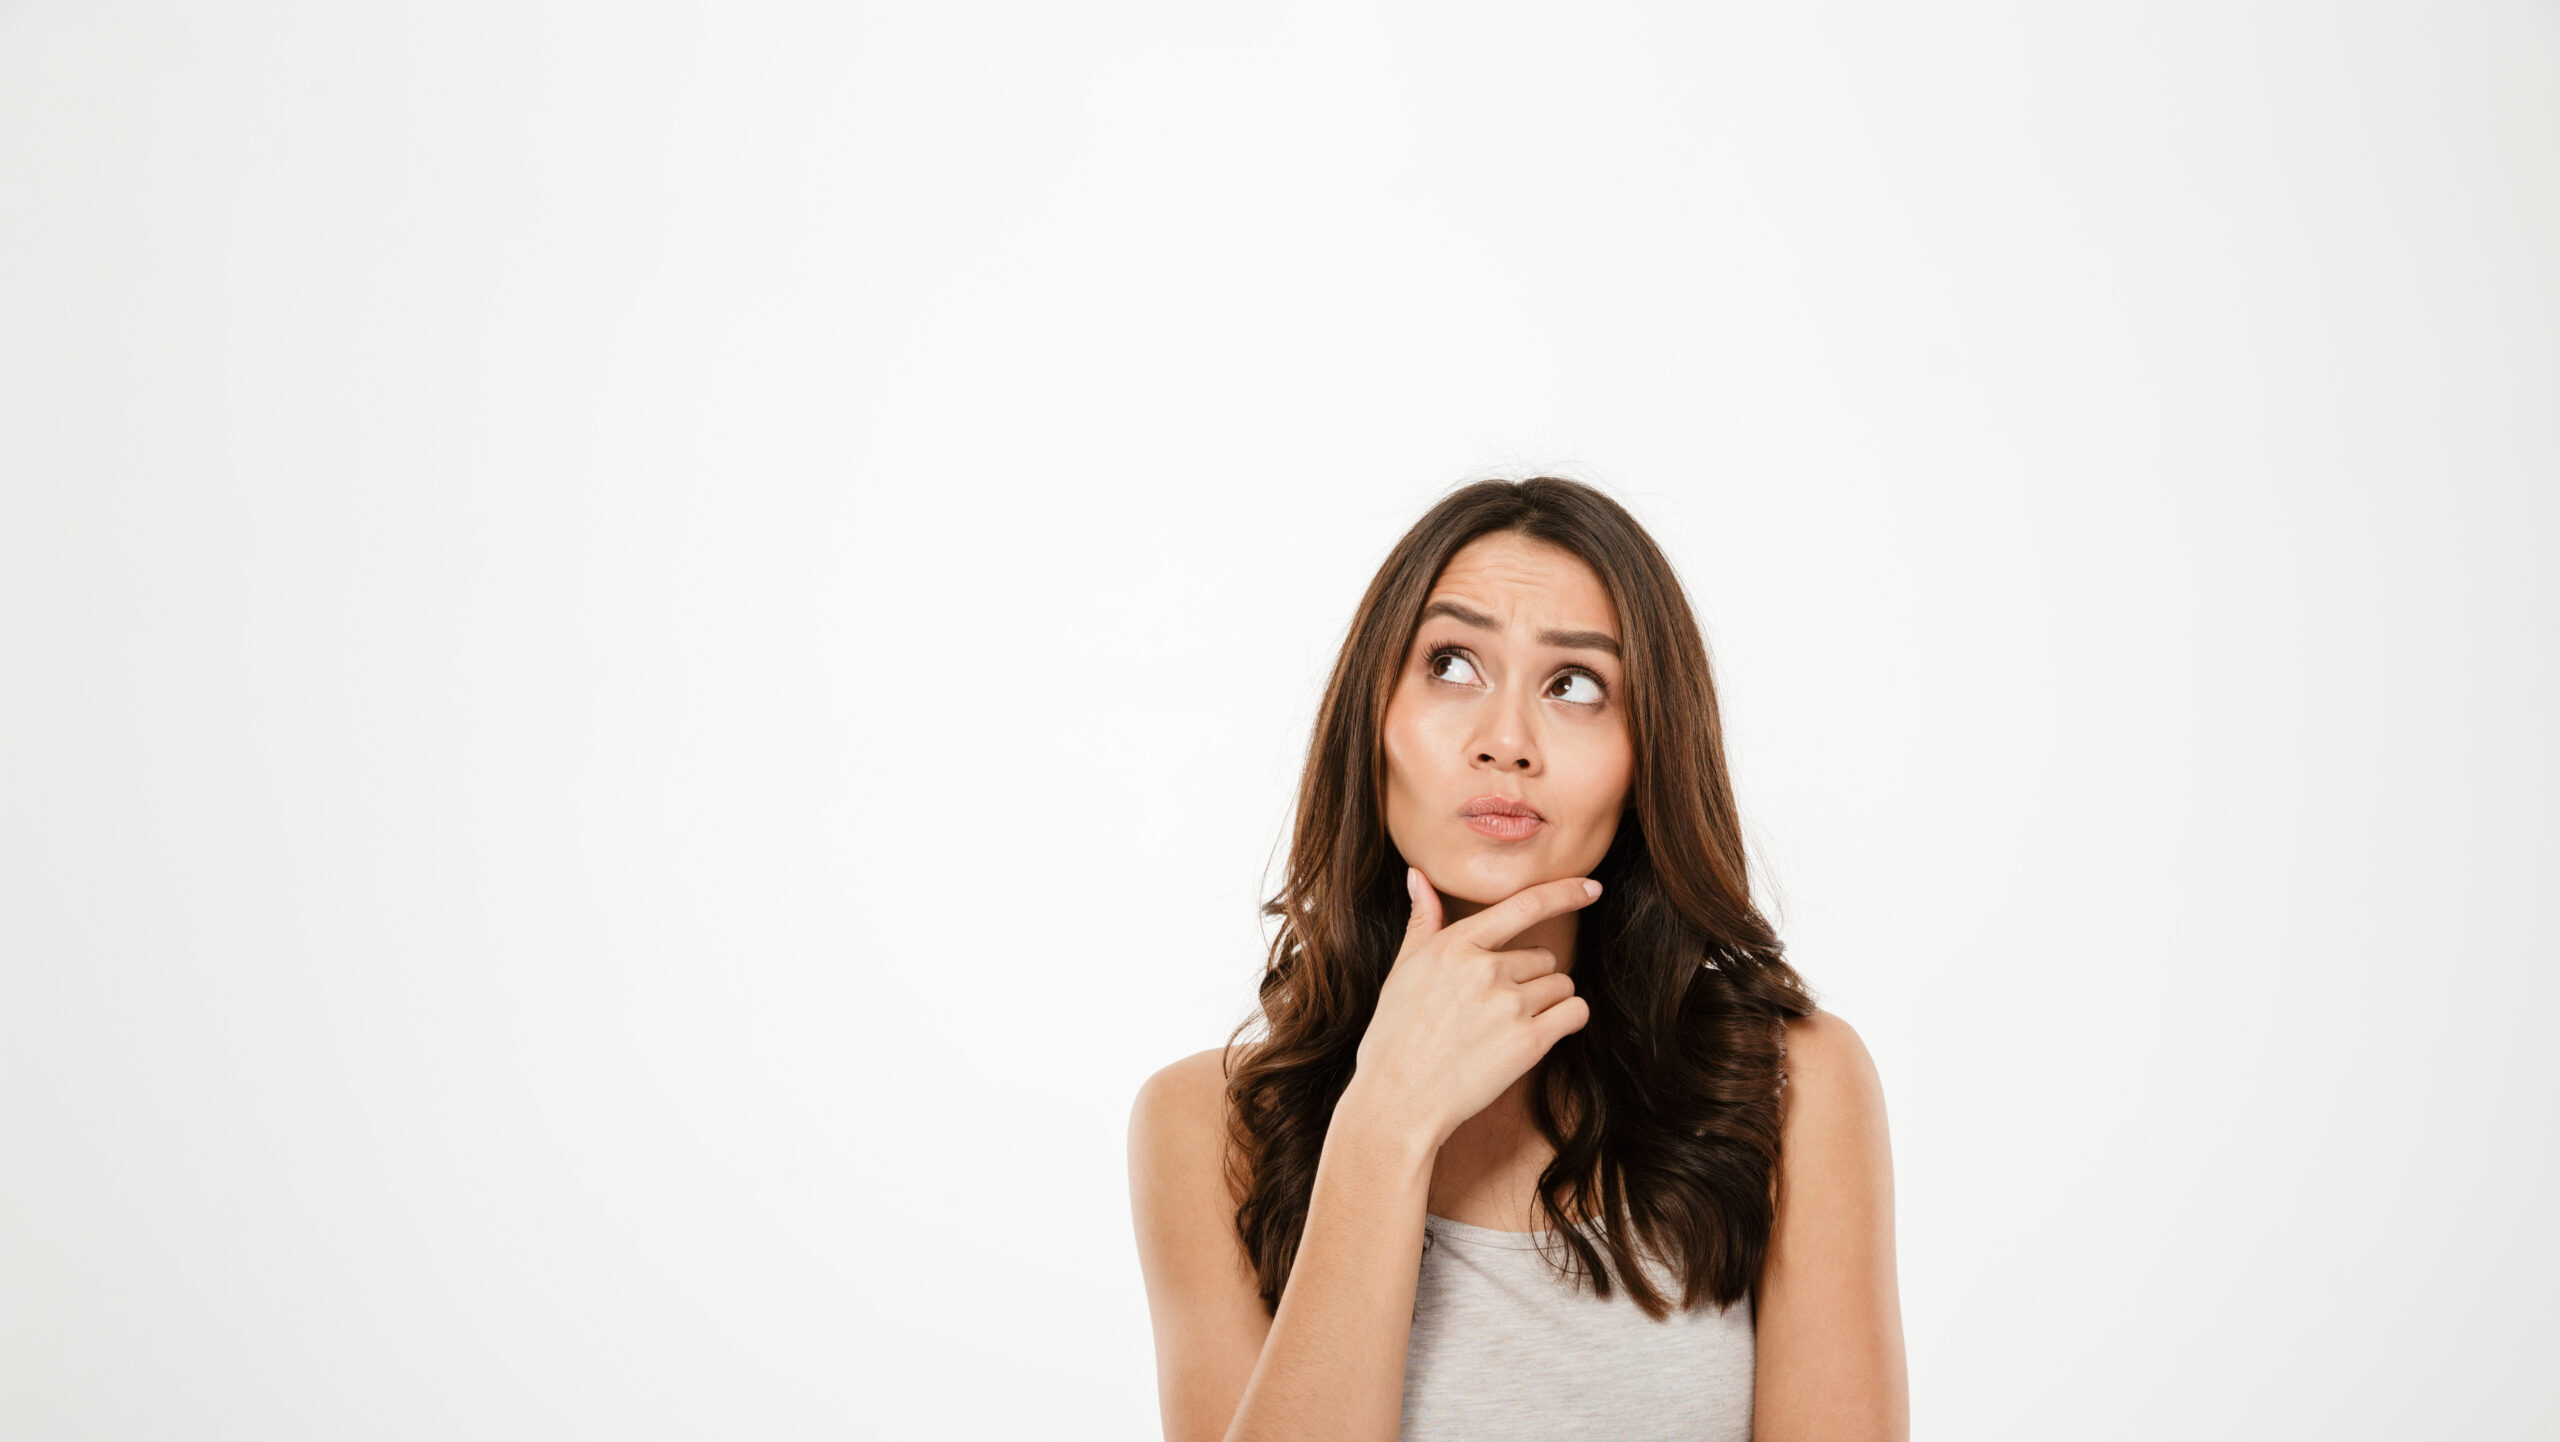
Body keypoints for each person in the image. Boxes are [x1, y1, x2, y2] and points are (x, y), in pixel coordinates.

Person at [1128, 477, 1908, 1441]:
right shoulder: (1207, 1126)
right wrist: (1385, 1122)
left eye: (1575, 685)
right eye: (1451, 664)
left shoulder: (1790, 1087)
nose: (1507, 742)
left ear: (1647, 753)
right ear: (1371, 721)